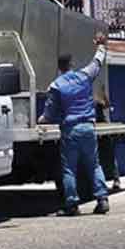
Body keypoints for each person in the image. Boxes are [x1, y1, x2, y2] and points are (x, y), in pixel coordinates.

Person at [37, 32, 110, 217]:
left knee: (69, 168)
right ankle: (102, 199)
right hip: (88, 127)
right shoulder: (84, 76)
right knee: (94, 164)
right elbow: (98, 61)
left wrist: (42, 120)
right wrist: (101, 45)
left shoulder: (56, 85)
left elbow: (50, 113)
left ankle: (72, 204)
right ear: (71, 65)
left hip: (70, 130)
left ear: (59, 68)